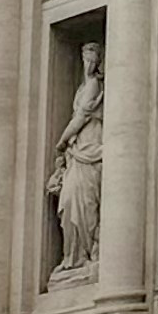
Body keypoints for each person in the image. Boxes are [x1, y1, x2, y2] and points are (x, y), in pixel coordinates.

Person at [47, 41, 105, 276]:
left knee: (87, 202)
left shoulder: (93, 85)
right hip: (78, 150)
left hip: (90, 146)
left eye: (93, 60)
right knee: (70, 200)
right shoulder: (82, 87)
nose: (88, 64)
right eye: (85, 59)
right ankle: (73, 256)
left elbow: (81, 117)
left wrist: (62, 141)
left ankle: (88, 252)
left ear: (98, 62)